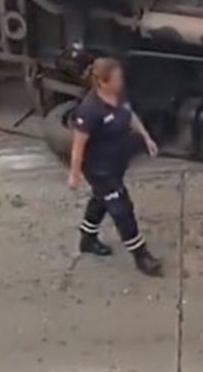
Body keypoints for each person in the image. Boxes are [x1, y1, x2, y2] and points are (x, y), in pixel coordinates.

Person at [69, 57, 164, 277]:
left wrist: (146, 137)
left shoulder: (119, 97)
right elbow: (78, 145)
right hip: (99, 170)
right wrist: (74, 174)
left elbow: (130, 115)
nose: (121, 81)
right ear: (103, 82)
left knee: (101, 199)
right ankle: (141, 256)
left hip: (117, 163)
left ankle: (87, 238)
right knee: (122, 209)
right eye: (117, 78)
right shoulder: (90, 110)